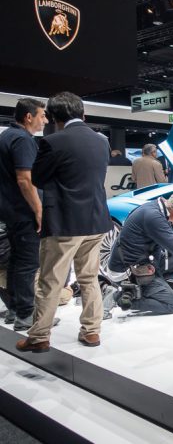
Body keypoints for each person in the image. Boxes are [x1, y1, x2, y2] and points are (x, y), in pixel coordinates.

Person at [16, 91, 113, 352]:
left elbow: (38, 178)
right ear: (83, 114)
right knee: (89, 278)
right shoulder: (102, 141)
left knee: (50, 281)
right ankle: (92, 332)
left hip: (64, 223)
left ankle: (38, 337)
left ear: (55, 117)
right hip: (96, 222)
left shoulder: (53, 142)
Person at [107, 191, 173, 315]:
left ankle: (151, 287)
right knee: (172, 304)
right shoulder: (153, 217)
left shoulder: (159, 207)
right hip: (128, 271)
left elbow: (169, 240)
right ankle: (117, 298)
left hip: (145, 260)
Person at [0, 98, 48, 330]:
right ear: (29, 117)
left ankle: (14, 310)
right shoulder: (23, 140)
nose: (45, 120)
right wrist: (38, 210)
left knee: (17, 261)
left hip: (9, 210)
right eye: (42, 115)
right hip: (23, 211)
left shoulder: (6, 136)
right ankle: (26, 315)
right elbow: (24, 180)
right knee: (29, 263)